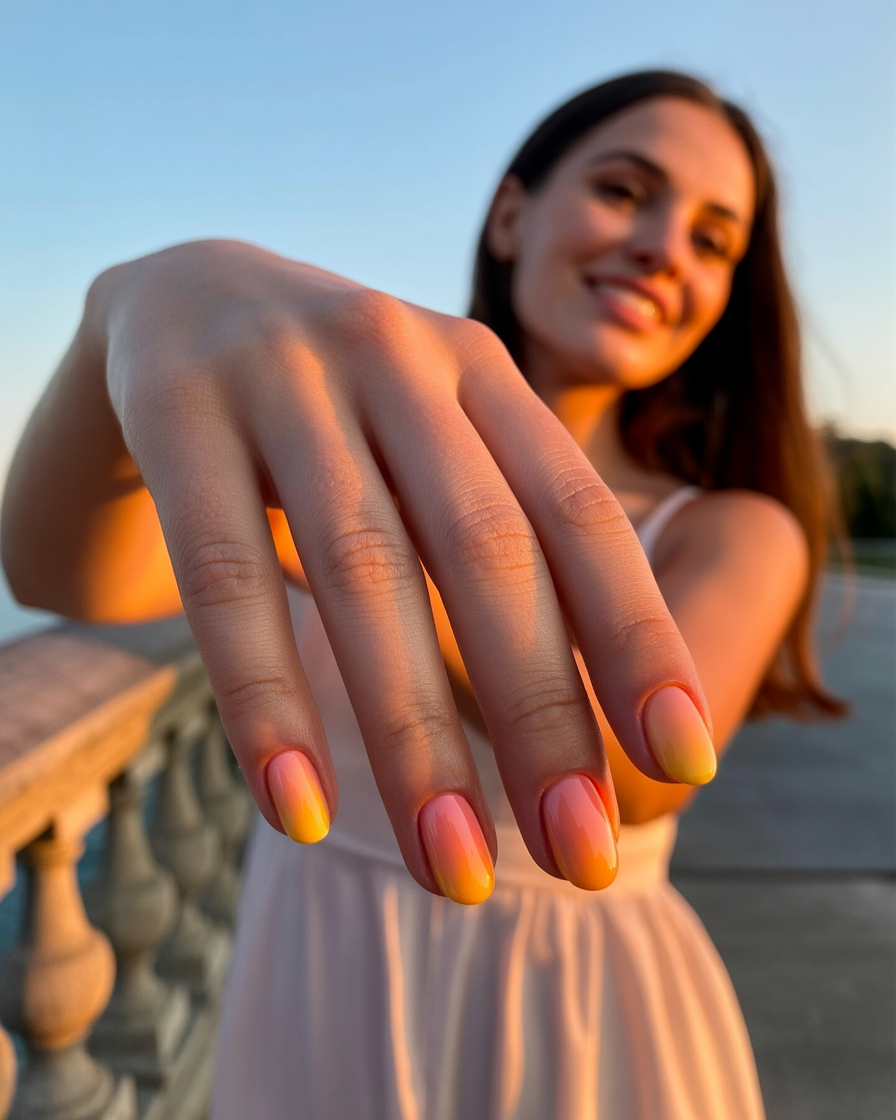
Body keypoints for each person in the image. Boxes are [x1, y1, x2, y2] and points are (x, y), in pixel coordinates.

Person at [1, 70, 843, 1118]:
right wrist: (127, 308)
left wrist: (331, 532)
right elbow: (57, 573)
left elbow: (638, 771)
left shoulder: (734, 525)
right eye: (624, 191)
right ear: (510, 215)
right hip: (314, 968)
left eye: (712, 241)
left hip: (566, 1002)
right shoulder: (339, 452)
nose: (664, 248)